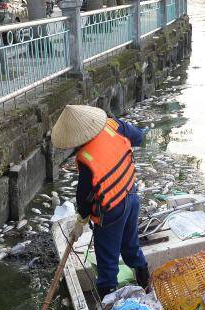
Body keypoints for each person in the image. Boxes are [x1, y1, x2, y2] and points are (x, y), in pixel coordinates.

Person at [50, 105, 150, 297]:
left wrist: (81, 221)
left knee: (107, 261)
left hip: (111, 210)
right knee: (131, 246)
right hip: (131, 195)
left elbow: (84, 196)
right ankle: (146, 283)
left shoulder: (85, 157)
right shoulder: (114, 125)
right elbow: (138, 136)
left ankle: (108, 303)